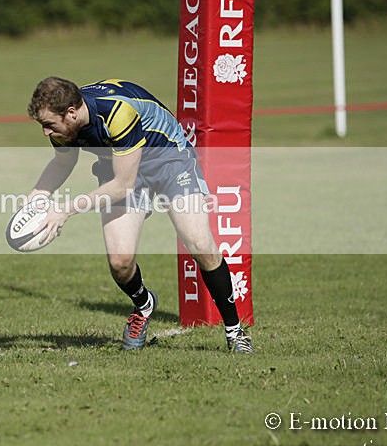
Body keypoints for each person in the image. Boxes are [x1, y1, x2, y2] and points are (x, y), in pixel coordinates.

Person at [26, 77, 252, 352]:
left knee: (200, 244)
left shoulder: (117, 114)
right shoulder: (66, 126)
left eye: (49, 125)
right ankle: (144, 305)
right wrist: (35, 198)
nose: (46, 132)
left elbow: (122, 186)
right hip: (119, 163)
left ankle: (235, 332)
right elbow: (63, 162)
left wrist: (65, 210)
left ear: (71, 112)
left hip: (168, 160)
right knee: (120, 263)